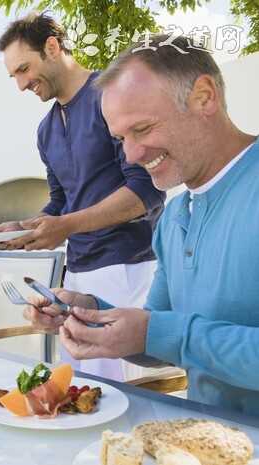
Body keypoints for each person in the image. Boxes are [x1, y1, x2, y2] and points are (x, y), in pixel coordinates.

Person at [30, 34, 259, 414]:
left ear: (204, 96)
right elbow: (159, 336)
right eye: (121, 138)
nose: (132, 155)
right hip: (206, 443)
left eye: (143, 129)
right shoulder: (174, 217)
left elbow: (168, 333)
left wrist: (162, 333)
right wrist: (90, 314)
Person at [0, 12, 165, 381]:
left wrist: (65, 225)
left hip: (128, 268)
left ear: (52, 48)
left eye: (24, 68)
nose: (21, 84)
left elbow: (145, 190)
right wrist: (21, 228)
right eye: (14, 76)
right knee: (80, 390)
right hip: (78, 274)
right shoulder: (45, 129)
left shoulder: (110, 96)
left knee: (122, 396)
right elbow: (60, 201)